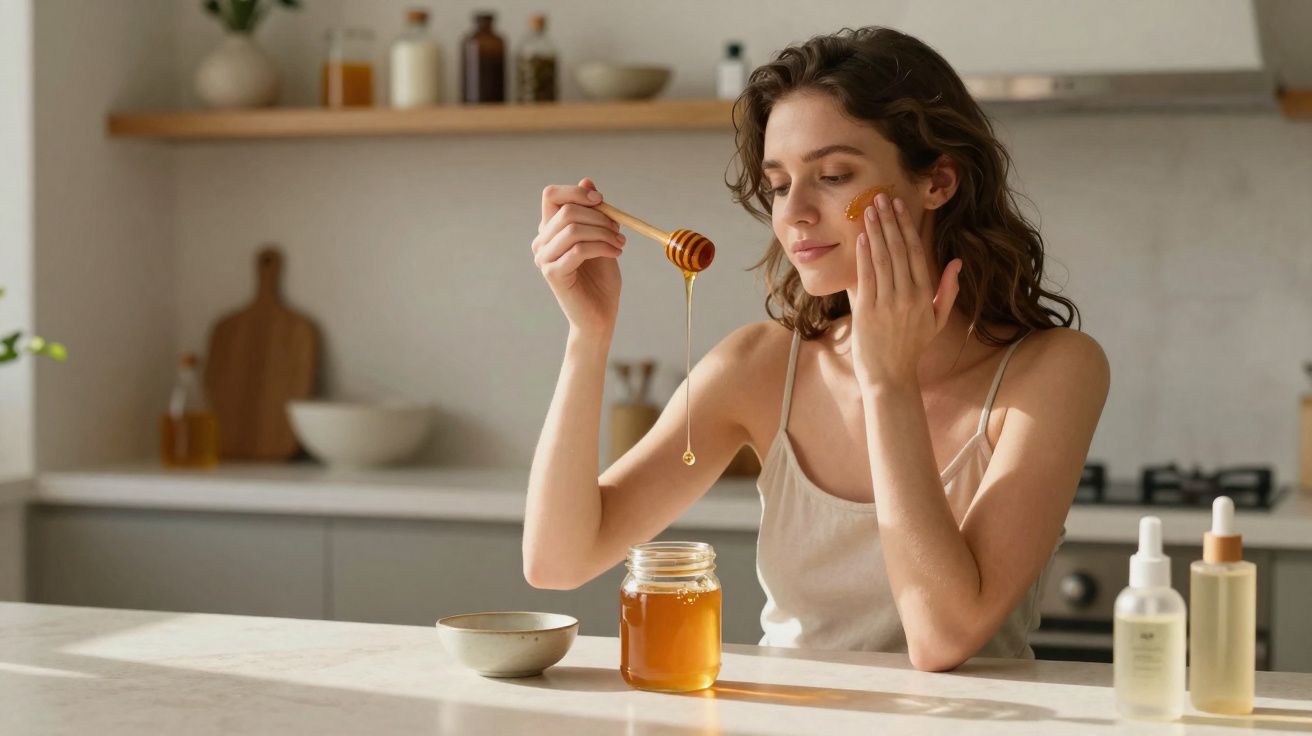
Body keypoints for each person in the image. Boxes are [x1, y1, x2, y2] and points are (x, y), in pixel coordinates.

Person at [523, 26, 1109, 672]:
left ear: (937, 181)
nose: (795, 213)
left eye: (832, 175)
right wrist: (588, 335)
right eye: (778, 184)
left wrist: (887, 381)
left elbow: (942, 638)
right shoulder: (761, 366)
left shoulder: (1054, 371)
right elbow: (558, 559)